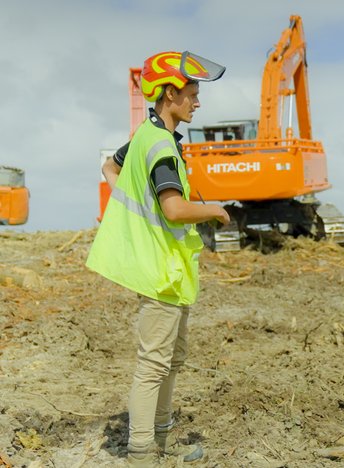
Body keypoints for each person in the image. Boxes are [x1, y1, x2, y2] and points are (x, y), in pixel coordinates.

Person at [87, 51, 230, 467]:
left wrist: (133, 216)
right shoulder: (161, 146)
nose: (197, 102)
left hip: (168, 270)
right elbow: (173, 209)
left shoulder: (144, 137)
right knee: (154, 365)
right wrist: (216, 208)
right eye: (192, 94)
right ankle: (142, 453)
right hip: (161, 272)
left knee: (170, 360)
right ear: (170, 92)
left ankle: (161, 442)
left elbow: (110, 168)